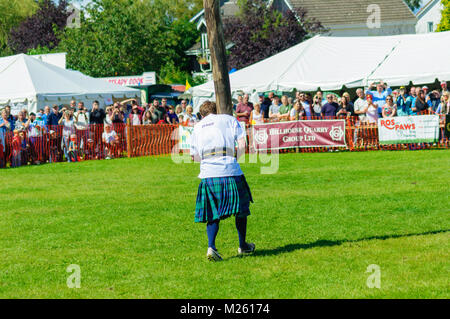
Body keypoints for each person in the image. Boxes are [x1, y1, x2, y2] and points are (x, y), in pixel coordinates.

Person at [190, 101, 254, 262]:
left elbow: (194, 156)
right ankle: (243, 245)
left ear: (202, 114)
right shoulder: (229, 119)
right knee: (241, 209)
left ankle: (211, 247)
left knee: (213, 212)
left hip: (208, 174)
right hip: (230, 170)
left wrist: (207, 162)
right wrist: (234, 160)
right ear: (216, 111)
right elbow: (242, 144)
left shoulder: (197, 127)